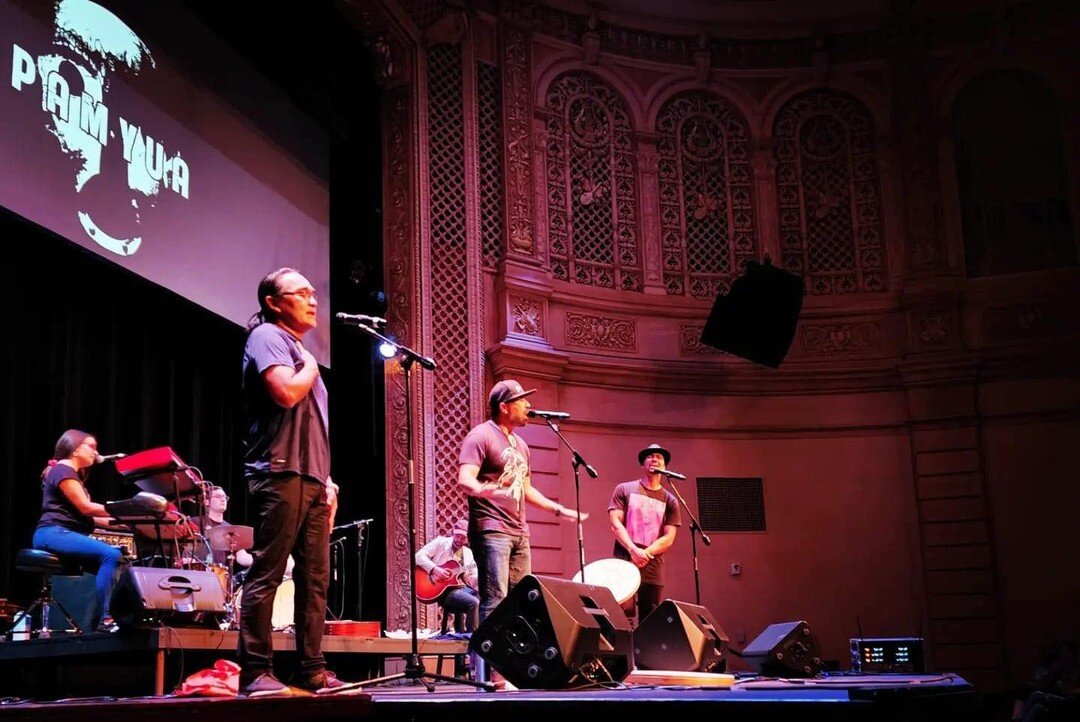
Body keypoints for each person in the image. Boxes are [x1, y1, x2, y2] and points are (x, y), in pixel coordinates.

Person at [237, 267, 343, 697]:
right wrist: (312, 368)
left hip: (312, 476)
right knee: (269, 572)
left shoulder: (296, 347)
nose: (313, 299)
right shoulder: (267, 337)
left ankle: (311, 671)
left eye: (313, 292)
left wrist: (328, 480)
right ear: (274, 302)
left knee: (316, 579)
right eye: (301, 293)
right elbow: (285, 393)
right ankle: (255, 672)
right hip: (279, 471)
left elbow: (312, 425)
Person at [457, 379, 588, 628]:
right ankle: (486, 666)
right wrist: (485, 490)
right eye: (521, 401)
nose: (528, 405)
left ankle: (509, 665)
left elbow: (525, 489)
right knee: (495, 599)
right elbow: (465, 479)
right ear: (504, 406)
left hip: (519, 531)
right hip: (491, 530)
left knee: (520, 603)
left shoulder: (522, 446)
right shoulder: (481, 435)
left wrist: (558, 510)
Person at [32, 429, 125, 633]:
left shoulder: (70, 475)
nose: (95, 452)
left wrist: (130, 521)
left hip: (61, 533)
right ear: (74, 450)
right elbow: (86, 507)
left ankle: (120, 618)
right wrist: (124, 510)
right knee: (110, 555)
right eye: (91, 446)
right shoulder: (63, 470)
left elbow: (91, 517)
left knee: (121, 563)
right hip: (52, 532)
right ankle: (107, 620)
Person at [608, 443, 681, 626]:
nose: (654, 459)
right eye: (650, 456)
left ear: (665, 467)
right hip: (625, 560)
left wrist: (645, 553)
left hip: (652, 565)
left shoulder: (670, 500)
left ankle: (644, 654)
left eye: (659, 457)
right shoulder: (624, 489)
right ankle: (623, 654)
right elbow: (615, 523)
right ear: (643, 464)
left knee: (651, 617)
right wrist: (633, 550)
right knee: (623, 612)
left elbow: (669, 537)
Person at [414, 518, 480, 632]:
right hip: (444, 592)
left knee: (483, 598)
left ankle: (477, 636)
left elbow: (473, 577)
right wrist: (435, 569)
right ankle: (471, 639)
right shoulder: (441, 542)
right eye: (457, 535)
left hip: (461, 589)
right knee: (474, 602)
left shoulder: (468, 553)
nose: (459, 540)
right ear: (453, 532)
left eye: (463, 537)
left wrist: (476, 579)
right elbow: (418, 556)